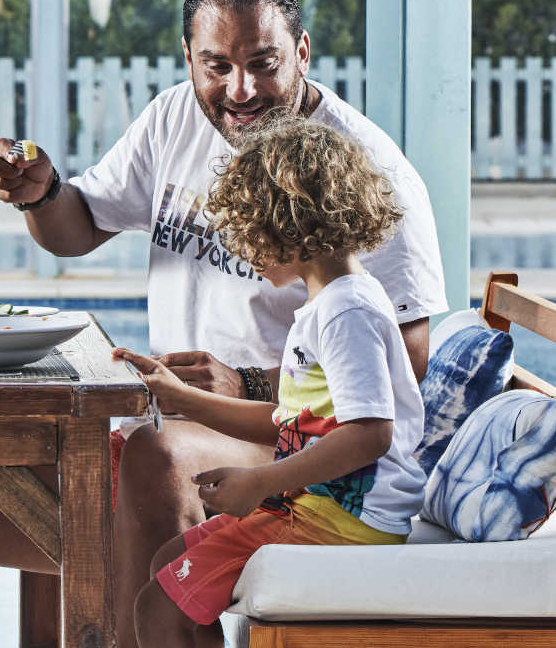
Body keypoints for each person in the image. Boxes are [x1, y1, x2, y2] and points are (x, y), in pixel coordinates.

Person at [0, 0, 446, 648]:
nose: (241, 89)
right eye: (216, 65)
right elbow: (76, 230)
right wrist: (42, 195)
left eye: (263, 62)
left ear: (302, 52)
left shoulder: (356, 172)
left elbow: (407, 369)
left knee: (154, 455)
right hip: (172, 423)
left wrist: (242, 385)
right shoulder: (173, 117)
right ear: (189, 58)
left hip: (273, 450)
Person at [114, 116, 425, 646]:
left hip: (341, 522)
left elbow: (372, 433)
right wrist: (180, 394)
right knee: (171, 560)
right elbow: (289, 423)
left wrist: (261, 482)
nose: (244, 251)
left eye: (248, 234)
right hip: (315, 505)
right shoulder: (330, 304)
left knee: (159, 608)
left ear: (291, 229)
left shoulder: (346, 312)